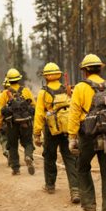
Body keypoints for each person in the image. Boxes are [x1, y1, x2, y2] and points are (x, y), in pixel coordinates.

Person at [67, 54, 106, 211]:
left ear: (84, 71)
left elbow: (74, 113)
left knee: (82, 168)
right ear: (100, 68)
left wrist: (71, 137)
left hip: (88, 135)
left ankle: (90, 207)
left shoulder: (80, 88)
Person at [33, 62, 80, 201]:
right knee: (70, 158)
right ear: (59, 75)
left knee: (49, 157)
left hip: (51, 130)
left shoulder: (43, 92)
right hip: (67, 129)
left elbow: (39, 114)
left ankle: (50, 185)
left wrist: (36, 134)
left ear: (46, 77)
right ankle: (75, 190)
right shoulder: (67, 89)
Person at [0, 68, 35, 176]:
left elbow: (1, 111)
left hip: (11, 124)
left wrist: (0, 124)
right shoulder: (26, 91)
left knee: (12, 145)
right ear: (18, 79)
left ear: (8, 80)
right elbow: (34, 105)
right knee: (28, 142)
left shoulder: (5, 93)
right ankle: (28, 156)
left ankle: (16, 168)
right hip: (26, 122)